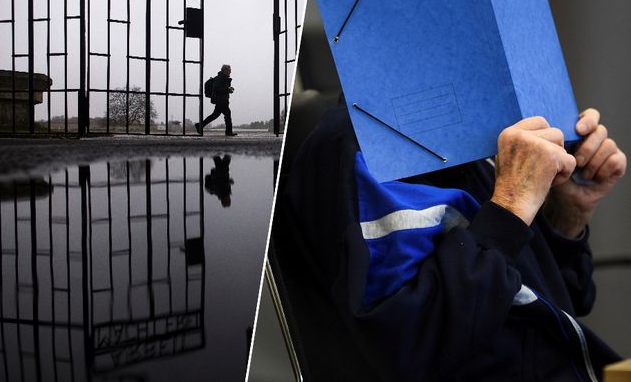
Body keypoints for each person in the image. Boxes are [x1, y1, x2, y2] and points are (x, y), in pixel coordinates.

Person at [283, 103, 626, 381]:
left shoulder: (465, 130)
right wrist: (511, 204)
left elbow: (558, 299)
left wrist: (567, 214)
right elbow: (413, 346)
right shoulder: (365, 146)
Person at [196, 64, 237, 136]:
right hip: (221, 100)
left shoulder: (224, 78)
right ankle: (228, 132)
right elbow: (216, 89)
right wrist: (227, 89)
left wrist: (229, 90)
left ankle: (200, 125)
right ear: (225, 70)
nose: (230, 71)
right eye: (229, 70)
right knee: (227, 114)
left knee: (215, 115)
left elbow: (223, 89)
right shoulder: (219, 78)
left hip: (223, 100)